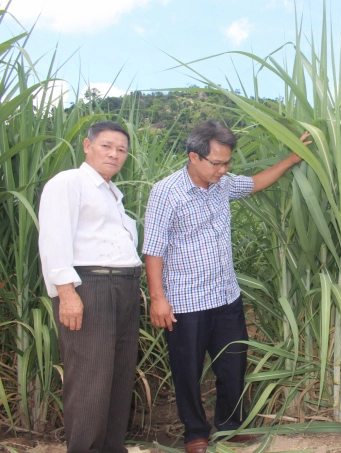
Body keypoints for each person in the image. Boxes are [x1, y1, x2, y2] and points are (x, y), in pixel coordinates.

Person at [142, 120, 311, 453]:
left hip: (225, 296)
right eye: (216, 163)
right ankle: (195, 434)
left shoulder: (223, 184)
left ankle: (231, 426)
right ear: (194, 157)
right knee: (187, 371)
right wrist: (157, 298)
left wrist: (292, 159)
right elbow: (153, 248)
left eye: (227, 162)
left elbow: (256, 182)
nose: (222, 170)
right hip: (185, 302)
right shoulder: (166, 192)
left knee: (233, 364)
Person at [38, 122, 142, 453]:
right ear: (87, 145)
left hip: (123, 287)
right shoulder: (70, 182)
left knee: (118, 377)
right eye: (106, 146)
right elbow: (54, 238)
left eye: (121, 150)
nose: (114, 154)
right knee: (90, 381)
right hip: (91, 287)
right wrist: (67, 295)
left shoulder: (111, 193)